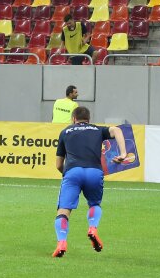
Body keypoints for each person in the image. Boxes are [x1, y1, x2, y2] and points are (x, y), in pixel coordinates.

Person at [52, 106, 129, 257]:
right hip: (94, 171)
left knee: (63, 211)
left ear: (73, 119)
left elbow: (59, 165)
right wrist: (123, 153)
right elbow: (117, 130)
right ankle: (92, 228)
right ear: (89, 119)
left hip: (73, 172)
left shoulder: (65, 132)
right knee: (94, 204)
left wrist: (68, 175)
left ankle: (61, 243)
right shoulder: (97, 129)